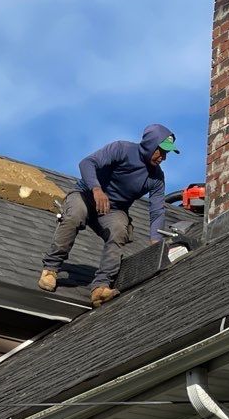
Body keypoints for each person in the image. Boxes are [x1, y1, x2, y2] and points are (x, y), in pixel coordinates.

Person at [38, 123, 176, 306]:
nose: (163, 157)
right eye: (161, 151)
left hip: (113, 210)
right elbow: (87, 163)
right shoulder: (122, 149)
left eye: (167, 153)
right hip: (86, 195)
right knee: (75, 214)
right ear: (150, 144)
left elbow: (157, 209)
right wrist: (96, 189)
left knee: (119, 229)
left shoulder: (156, 177)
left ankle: (100, 287)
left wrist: (156, 240)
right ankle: (50, 269)